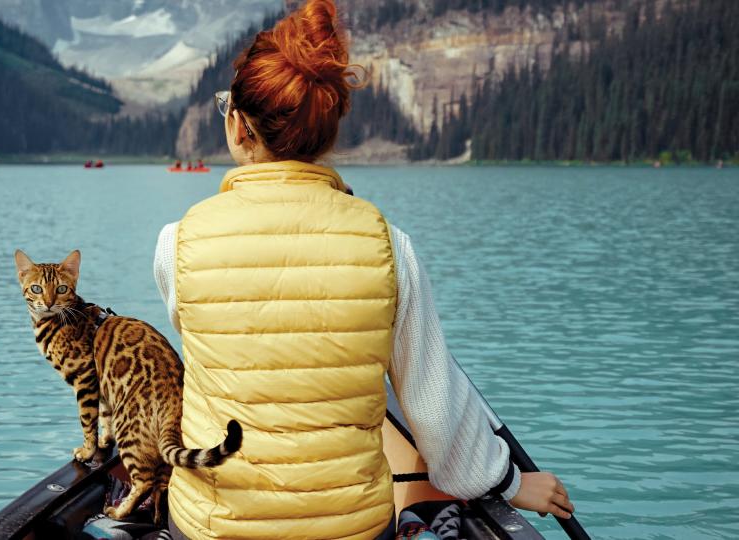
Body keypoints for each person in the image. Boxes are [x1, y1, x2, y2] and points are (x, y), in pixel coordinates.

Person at [152, 1, 573, 538]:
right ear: (329, 134)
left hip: (213, 527)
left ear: (237, 126)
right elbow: (433, 413)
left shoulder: (176, 244)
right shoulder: (389, 245)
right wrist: (510, 483)